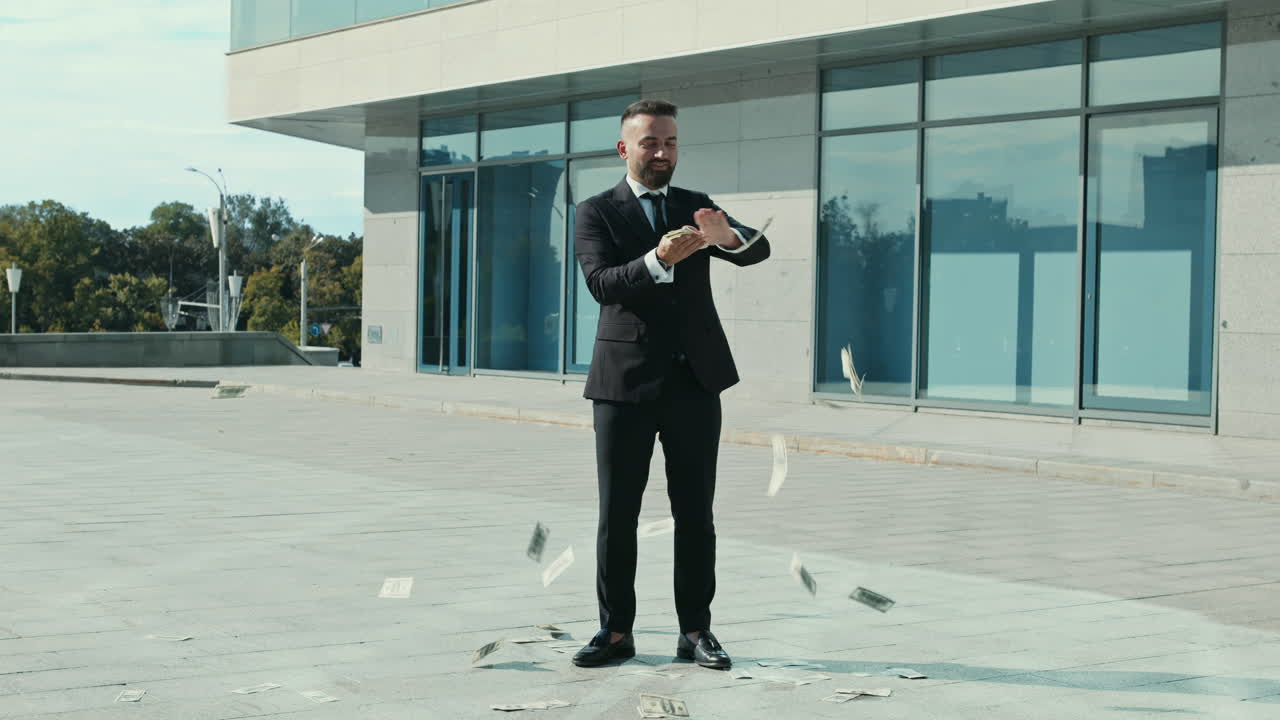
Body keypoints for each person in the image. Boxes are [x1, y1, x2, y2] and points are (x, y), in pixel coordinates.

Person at [570, 99, 771, 670]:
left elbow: (758, 251)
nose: (662, 153)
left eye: (671, 143)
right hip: (623, 385)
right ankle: (615, 632)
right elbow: (601, 284)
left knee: (696, 514)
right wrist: (657, 258)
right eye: (651, 143)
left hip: (694, 381)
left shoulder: (696, 205)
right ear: (624, 149)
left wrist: (725, 236)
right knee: (618, 515)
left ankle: (696, 632)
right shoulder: (595, 212)